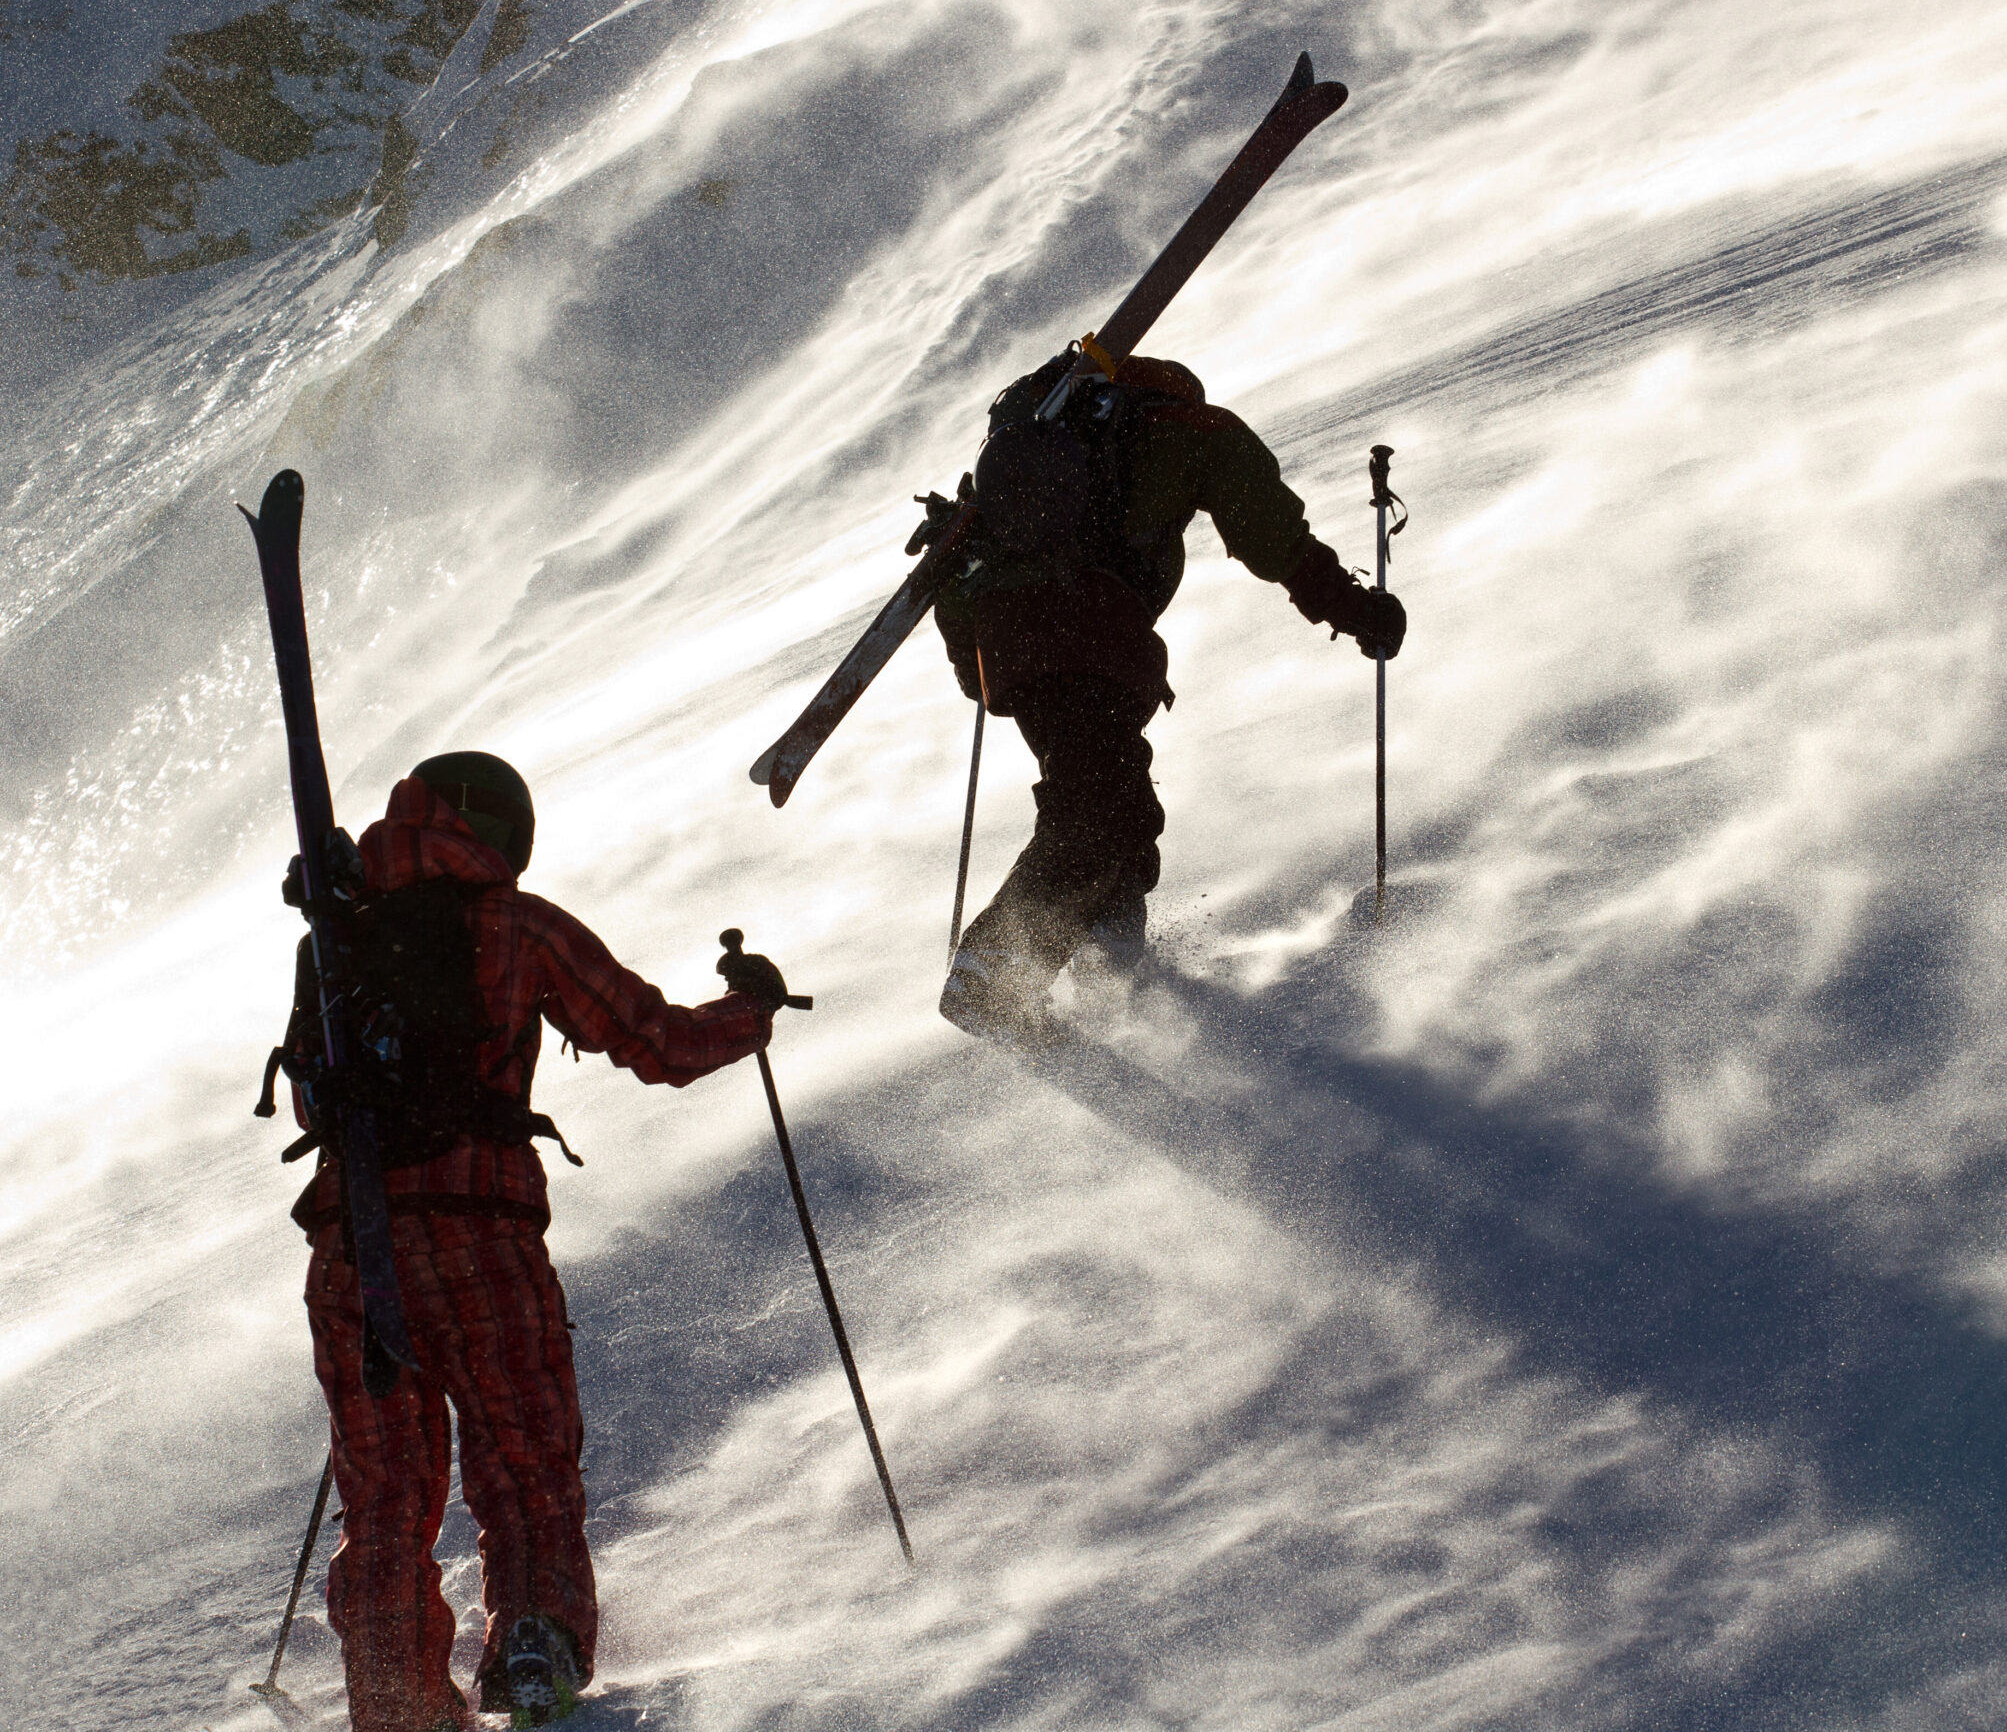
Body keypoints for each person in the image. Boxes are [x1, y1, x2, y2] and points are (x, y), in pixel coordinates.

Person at [269, 751, 795, 1731]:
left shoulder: (335, 942)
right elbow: (656, 1042)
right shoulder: (514, 923)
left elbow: (308, 1095)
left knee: (385, 1494)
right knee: (522, 1458)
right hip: (482, 1231)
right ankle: (533, 1647)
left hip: (353, 1249)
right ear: (498, 830)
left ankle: (395, 1703)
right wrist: (750, 1011)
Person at [926, 347, 1405, 1040]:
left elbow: (960, 597)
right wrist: (1355, 611)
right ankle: (993, 976)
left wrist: (989, 674)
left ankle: (1109, 972)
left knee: (1118, 808)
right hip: (1091, 632)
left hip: (1019, 651)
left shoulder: (1017, 473)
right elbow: (1271, 534)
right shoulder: (1183, 427)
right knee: (1095, 812)